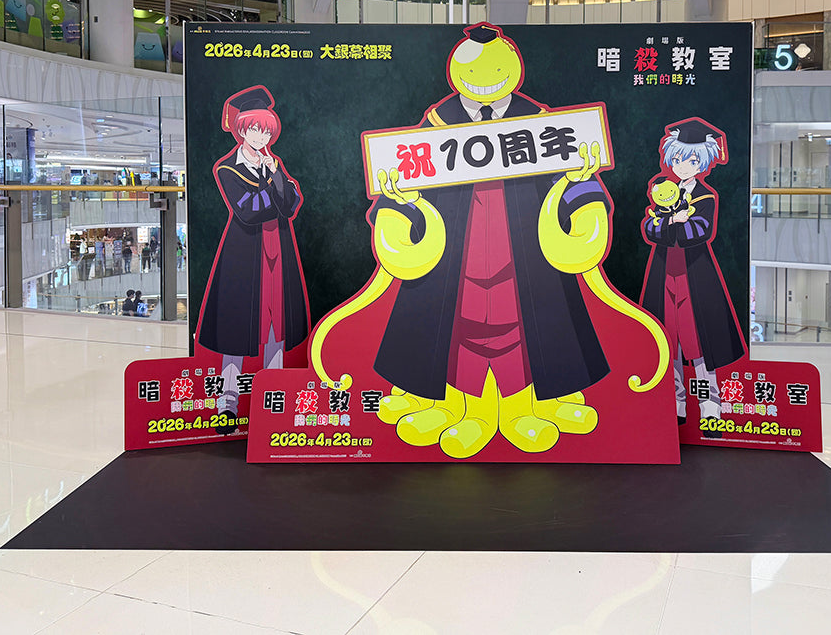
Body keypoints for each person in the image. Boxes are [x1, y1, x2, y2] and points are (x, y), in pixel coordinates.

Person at [309, 23, 669, 459]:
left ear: (512, 68)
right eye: (474, 69)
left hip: (526, 247)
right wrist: (399, 206)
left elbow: (575, 174)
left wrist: (581, 191)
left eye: (496, 68)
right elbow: (405, 173)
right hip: (454, 249)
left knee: (531, 318)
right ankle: (452, 404)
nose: (485, 78)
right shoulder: (438, 122)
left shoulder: (540, 122)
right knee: (451, 320)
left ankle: (529, 404)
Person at [196, 85, 310, 434]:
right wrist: (275, 185)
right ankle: (227, 402)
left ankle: (272, 399)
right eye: (255, 129)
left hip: (278, 252)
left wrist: (276, 177)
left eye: (266, 131)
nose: (261, 137)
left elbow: (291, 205)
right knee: (237, 328)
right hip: (244, 256)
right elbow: (248, 211)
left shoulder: (275, 165)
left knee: (276, 325)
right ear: (242, 129)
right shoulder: (227, 169)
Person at [639, 117, 747, 438]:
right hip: (664, 274)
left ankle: (711, 407)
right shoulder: (663, 190)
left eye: (692, 160)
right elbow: (651, 228)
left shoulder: (705, 197)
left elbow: (698, 233)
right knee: (668, 341)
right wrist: (673, 220)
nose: (683, 165)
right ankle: (676, 405)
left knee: (698, 343)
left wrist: (673, 224)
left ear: (703, 163)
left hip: (695, 276)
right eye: (678, 158)